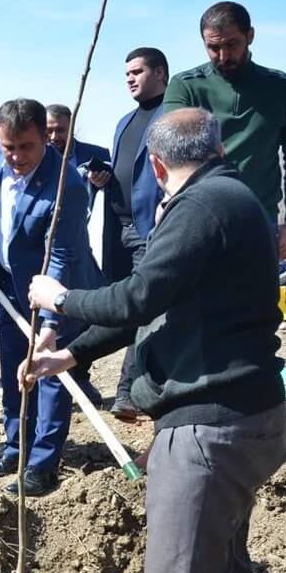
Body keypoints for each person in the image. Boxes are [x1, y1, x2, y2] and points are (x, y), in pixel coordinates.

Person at [25, 108, 286, 573]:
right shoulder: (233, 198)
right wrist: (70, 354)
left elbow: (138, 296)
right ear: (214, 148)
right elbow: (149, 304)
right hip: (246, 417)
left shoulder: (202, 206)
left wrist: (62, 299)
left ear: (156, 163)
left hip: (209, 429)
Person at [0, 99, 102, 496]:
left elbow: (63, 256)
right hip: (8, 286)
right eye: (9, 147)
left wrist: (52, 323)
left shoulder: (66, 185)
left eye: (26, 148)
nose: (16, 157)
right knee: (13, 371)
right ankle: (16, 447)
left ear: (44, 140)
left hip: (56, 293)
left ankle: (42, 464)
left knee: (50, 374)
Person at [163, 0, 286, 260]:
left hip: (260, 219)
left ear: (250, 36)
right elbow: (174, 156)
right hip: (198, 219)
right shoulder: (185, 87)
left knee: (258, 300)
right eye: (213, 47)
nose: (223, 56)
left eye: (231, 44)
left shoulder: (279, 87)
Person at [87, 48, 169, 421]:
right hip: (115, 226)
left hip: (148, 228)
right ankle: (76, 365)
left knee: (141, 309)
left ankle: (128, 392)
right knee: (118, 306)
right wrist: (100, 178)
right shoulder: (123, 122)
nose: (130, 79)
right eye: (127, 74)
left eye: (137, 72)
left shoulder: (172, 115)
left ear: (161, 73)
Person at [45, 103, 110, 406]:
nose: (56, 135)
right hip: (46, 249)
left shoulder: (93, 154)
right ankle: (56, 378)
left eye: (61, 129)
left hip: (84, 245)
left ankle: (80, 374)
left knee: (91, 310)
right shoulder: (38, 158)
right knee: (56, 314)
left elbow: (115, 182)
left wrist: (103, 179)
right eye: (50, 130)